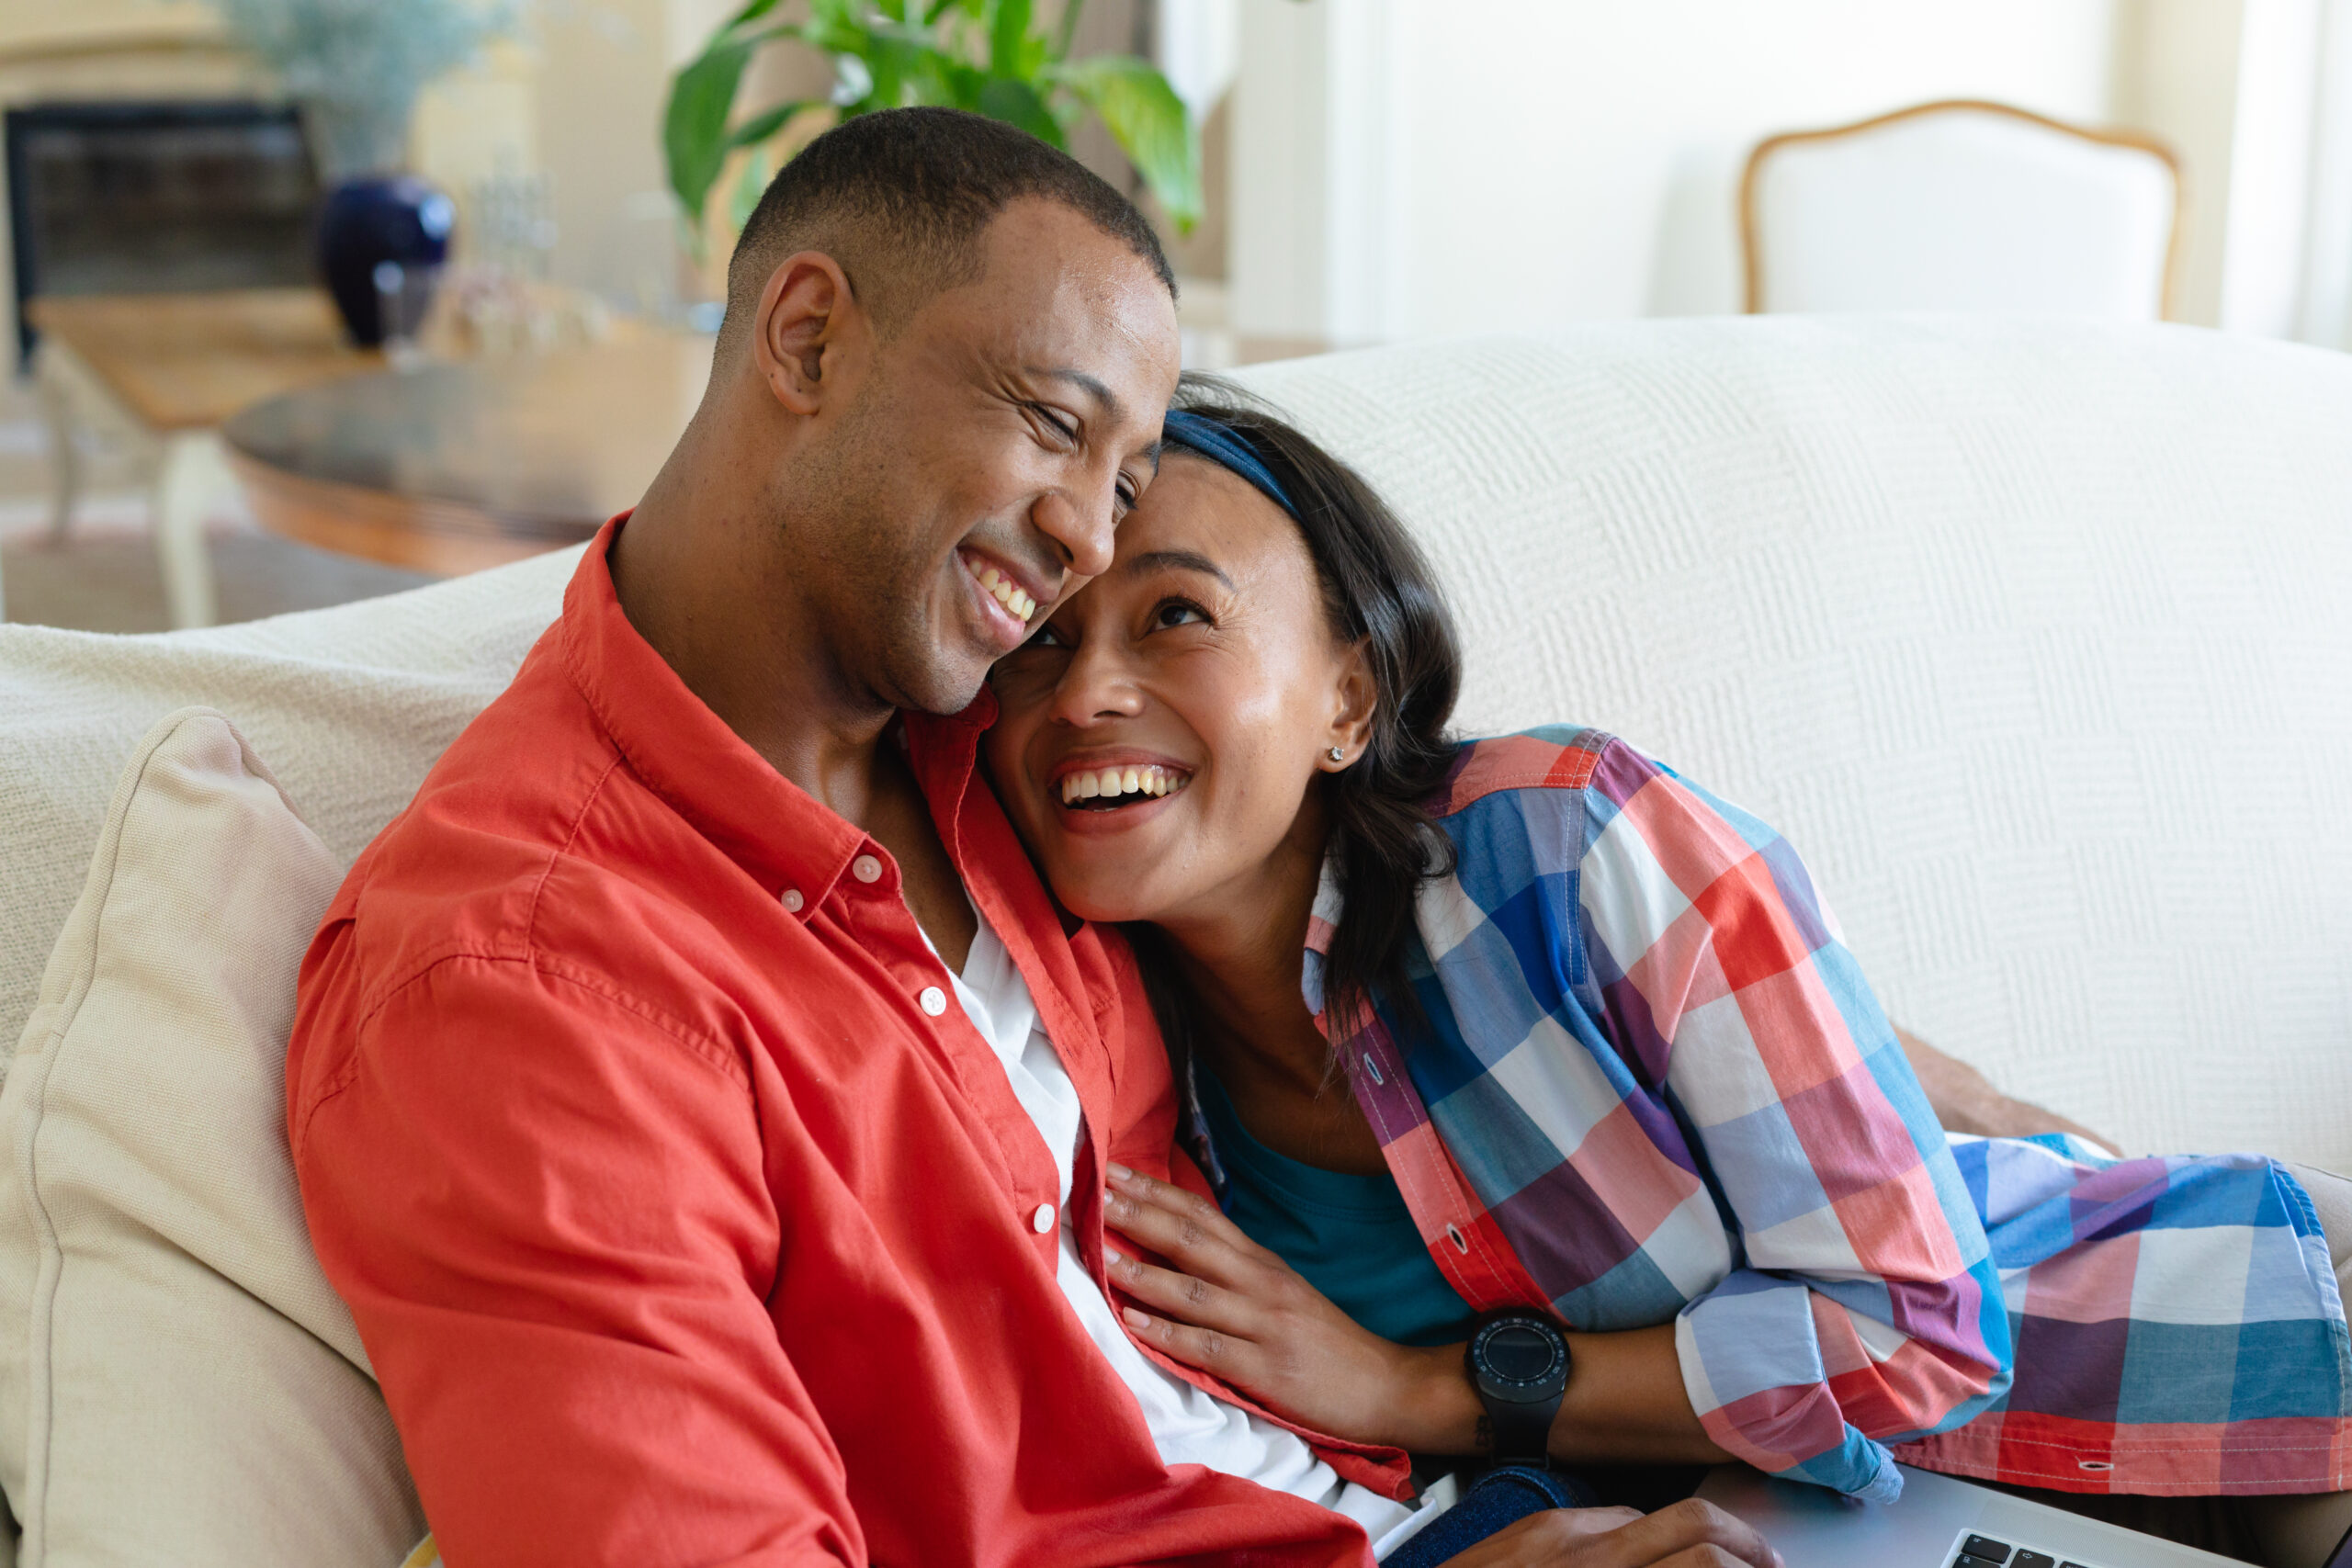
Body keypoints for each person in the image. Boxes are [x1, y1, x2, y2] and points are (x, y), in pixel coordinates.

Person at [287, 109, 1785, 1568]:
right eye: (1056, 427)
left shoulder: (1023, 754)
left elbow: (1441, 882)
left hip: (1486, 1496)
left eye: (1124, 484)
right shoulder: (519, 977)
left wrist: (1844, 1048)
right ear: (807, 339)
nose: (1087, 542)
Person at [980, 384, 2352, 1557]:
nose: (1085, 690)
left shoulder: (1568, 841)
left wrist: (1423, 1391)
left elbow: (1921, 1333)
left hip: (2233, 1379)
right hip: (1863, 1531)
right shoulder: (1089, 1060)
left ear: (1347, 697)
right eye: (1041, 639)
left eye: (1175, 616)